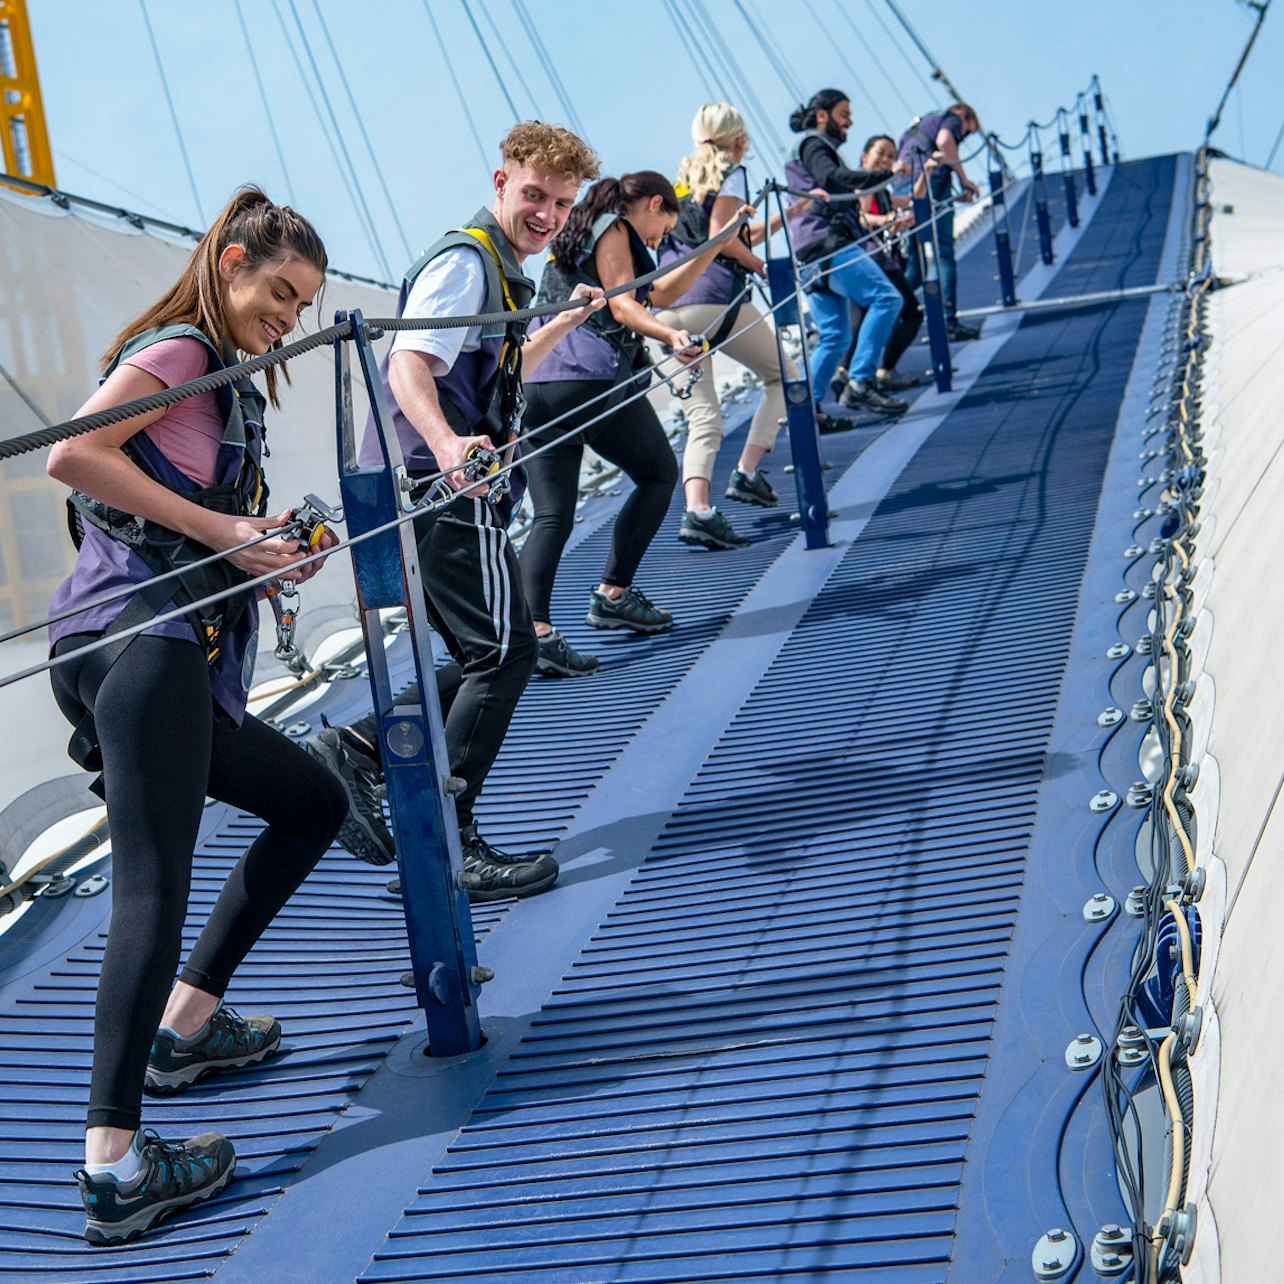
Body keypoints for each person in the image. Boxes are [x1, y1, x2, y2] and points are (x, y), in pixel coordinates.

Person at [44, 188, 343, 1245]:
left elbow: (161, 507)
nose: (289, 319)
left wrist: (257, 548)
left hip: (133, 652)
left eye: (303, 306)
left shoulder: (217, 381)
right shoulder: (180, 350)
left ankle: (187, 1026)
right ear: (227, 261)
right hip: (143, 650)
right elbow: (73, 453)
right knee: (151, 890)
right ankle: (116, 1164)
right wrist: (226, 529)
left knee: (312, 799)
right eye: (279, 293)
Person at [325, 122, 606, 892]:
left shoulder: (500, 271)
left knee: (485, 651)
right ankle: (452, 847)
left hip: (433, 482)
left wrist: (564, 323)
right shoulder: (467, 262)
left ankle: (358, 747)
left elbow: (498, 367)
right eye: (534, 195)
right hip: (442, 483)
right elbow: (408, 361)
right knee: (504, 654)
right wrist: (449, 444)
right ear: (500, 184)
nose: (546, 213)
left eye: (561, 202)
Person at [519, 171, 722, 676]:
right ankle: (613, 591)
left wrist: (712, 249)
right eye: (658, 232)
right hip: (589, 375)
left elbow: (655, 295)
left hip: (537, 379)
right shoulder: (613, 227)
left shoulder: (573, 237)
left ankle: (534, 634)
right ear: (653, 204)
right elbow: (624, 302)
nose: (655, 243)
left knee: (553, 515)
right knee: (658, 474)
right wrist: (672, 340)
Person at [654, 103, 814, 551]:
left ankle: (698, 510)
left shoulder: (681, 180)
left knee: (702, 415)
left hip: (667, 309)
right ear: (737, 136)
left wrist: (789, 214)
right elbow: (724, 239)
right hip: (715, 301)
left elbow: (725, 234)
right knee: (785, 377)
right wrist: (761, 266)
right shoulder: (733, 173)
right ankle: (746, 471)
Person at [786, 89, 909, 426]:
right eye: (844, 114)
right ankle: (860, 381)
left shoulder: (807, 148)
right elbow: (832, 178)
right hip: (829, 243)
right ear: (823, 115)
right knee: (887, 298)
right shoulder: (815, 145)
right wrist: (887, 175)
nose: (850, 122)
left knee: (835, 335)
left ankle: (805, 412)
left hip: (810, 250)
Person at [832, 133, 925, 406]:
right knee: (907, 310)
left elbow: (908, 201)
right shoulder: (863, 184)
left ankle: (847, 373)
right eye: (881, 153)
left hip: (873, 258)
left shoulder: (881, 189)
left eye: (890, 155)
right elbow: (862, 216)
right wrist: (887, 219)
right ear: (864, 156)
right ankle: (877, 371)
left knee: (862, 318)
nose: (885, 159)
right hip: (871, 258)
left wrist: (926, 172)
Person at [898, 102, 982, 342]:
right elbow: (946, 142)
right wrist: (964, 180)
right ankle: (950, 322)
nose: (962, 137)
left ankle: (892, 317)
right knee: (943, 253)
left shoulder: (914, 129)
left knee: (915, 266)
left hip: (908, 187)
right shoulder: (951, 119)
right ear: (964, 115)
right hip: (932, 182)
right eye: (966, 132)